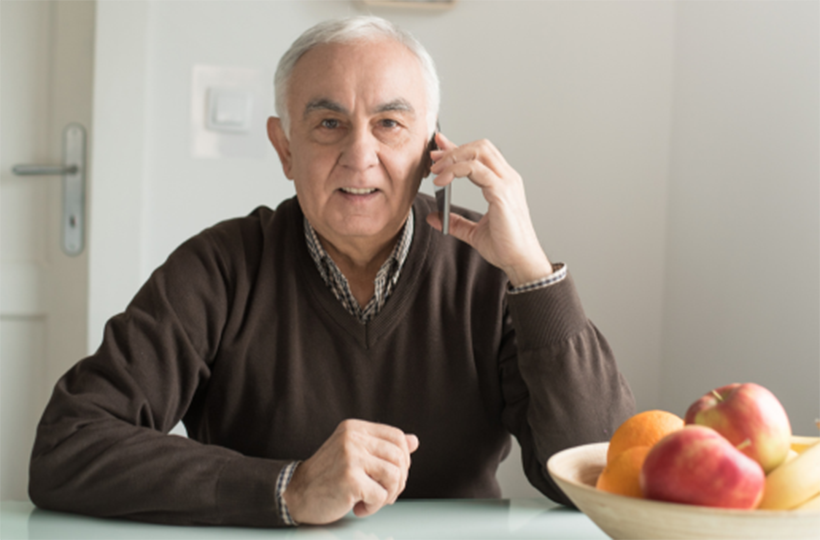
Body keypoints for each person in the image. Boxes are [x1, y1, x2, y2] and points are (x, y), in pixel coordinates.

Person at [29, 16, 635, 527]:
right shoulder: (220, 267)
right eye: (328, 124)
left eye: (390, 124)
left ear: (432, 151)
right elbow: (67, 445)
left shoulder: (488, 269)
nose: (360, 154)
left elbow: (601, 476)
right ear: (285, 149)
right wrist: (287, 489)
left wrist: (532, 272)